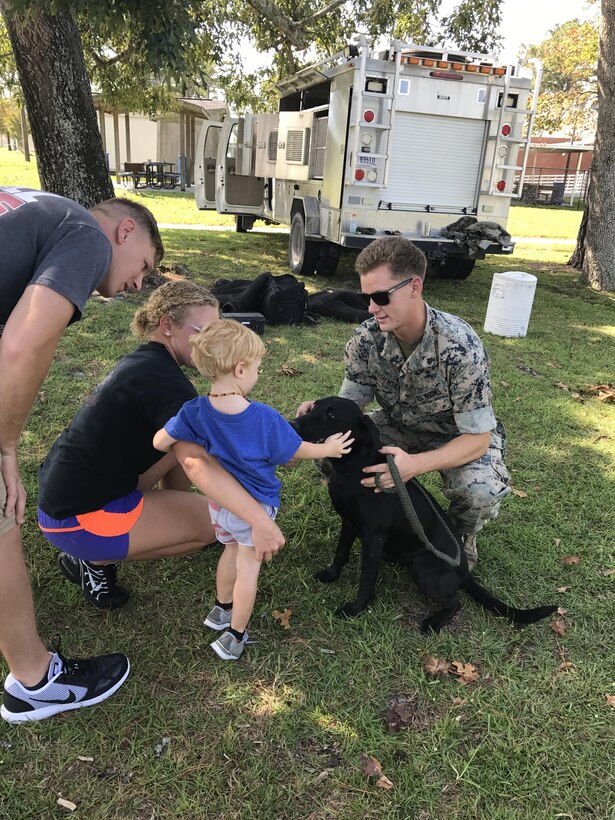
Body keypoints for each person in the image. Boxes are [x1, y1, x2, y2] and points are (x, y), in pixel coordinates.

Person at [0, 186, 163, 723]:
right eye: (145, 266)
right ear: (124, 231)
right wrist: (5, 444)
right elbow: (23, 345)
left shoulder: (36, 206)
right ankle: (33, 682)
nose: (140, 284)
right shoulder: (87, 235)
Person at [37, 282, 286, 613]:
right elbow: (198, 463)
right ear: (167, 326)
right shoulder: (167, 383)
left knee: (181, 444)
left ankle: (155, 518)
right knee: (215, 526)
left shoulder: (146, 363)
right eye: (204, 331)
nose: (212, 343)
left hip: (63, 499)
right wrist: (258, 519)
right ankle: (92, 558)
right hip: (81, 519)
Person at [297, 236, 511, 569]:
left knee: (479, 492)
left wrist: (416, 465)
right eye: (366, 297)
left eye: (381, 297)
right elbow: (349, 406)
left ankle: (458, 536)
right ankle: (366, 510)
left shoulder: (460, 345)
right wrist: (323, 416)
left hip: (456, 436)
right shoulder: (367, 338)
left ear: (414, 287)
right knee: (329, 449)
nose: (371, 308)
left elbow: (478, 439)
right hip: (397, 425)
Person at [153, 319, 353, 661]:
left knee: (228, 552)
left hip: (218, 505)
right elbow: (296, 450)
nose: (259, 374)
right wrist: (329, 450)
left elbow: (160, 441)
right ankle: (234, 636)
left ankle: (220, 611)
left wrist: (180, 433)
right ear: (240, 368)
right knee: (248, 568)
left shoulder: (194, 410)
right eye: (258, 368)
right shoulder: (262, 417)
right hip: (255, 506)